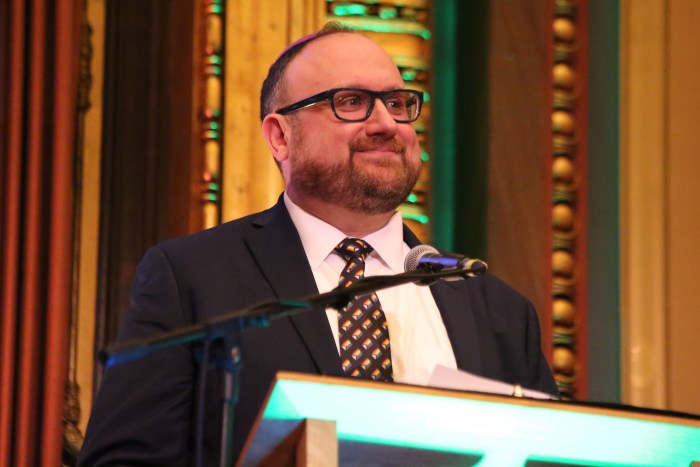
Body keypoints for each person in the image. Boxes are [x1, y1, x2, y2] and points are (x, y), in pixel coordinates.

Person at [78, 22, 558, 466]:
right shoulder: (193, 280)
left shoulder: (500, 313)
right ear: (280, 137)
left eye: (396, 102)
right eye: (350, 102)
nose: (385, 123)